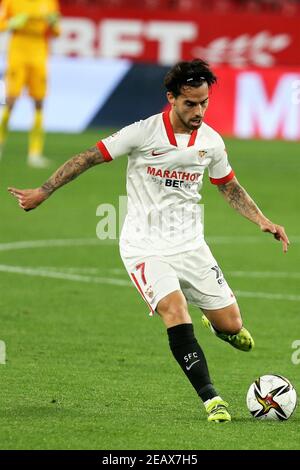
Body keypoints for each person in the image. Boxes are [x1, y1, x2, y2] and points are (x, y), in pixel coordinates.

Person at [8, 59, 289, 423]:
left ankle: (220, 327)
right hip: (144, 246)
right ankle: (211, 399)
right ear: (171, 98)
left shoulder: (212, 143)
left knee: (232, 325)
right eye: (190, 103)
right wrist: (44, 191)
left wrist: (262, 220)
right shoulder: (143, 133)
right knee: (175, 311)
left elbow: (228, 186)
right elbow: (89, 157)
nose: (199, 111)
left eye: (204, 102)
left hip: (190, 245)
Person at [0, 0, 60, 167]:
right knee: (10, 100)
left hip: (39, 52)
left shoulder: (49, 2)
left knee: (39, 102)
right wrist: (12, 22)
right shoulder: (11, 1)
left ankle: (35, 153)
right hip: (18, 51)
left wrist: (54, 24)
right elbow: (1, 24)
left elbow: (57, 31)